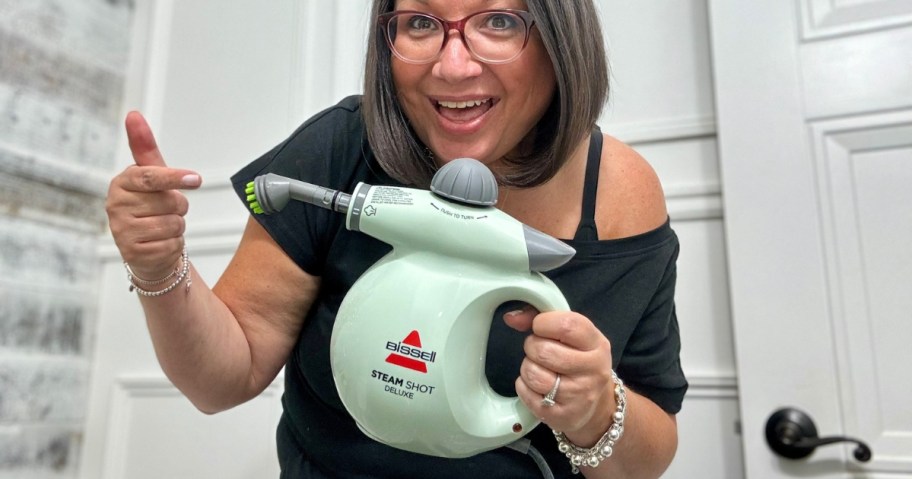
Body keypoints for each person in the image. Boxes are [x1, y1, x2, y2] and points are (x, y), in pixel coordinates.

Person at [105, 0, 687, 477]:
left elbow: (647, 456)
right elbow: (221, 381)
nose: (453, 66)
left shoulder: (621, 196)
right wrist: (158, 266)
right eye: (420, 23)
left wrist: (596, 412)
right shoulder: (340, 149)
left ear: (562, 39)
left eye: (500, 21)